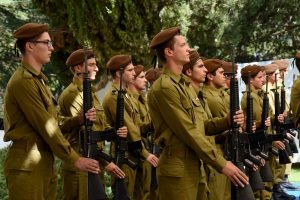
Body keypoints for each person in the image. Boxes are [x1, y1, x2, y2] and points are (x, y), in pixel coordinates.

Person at [147, 26, 249, 200]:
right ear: (169, 52)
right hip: (177, 172)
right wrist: (222, 164)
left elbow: (202, 125)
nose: (189, 49)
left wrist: (227, 121)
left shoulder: (183, 86)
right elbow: (188, 131)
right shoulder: (165, 88)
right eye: (183, 45)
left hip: (195, 165)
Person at [3, 22, 99, 200]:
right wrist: (75, 159)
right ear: (30, 46)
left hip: (43, 161)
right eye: (46, 43)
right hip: (28, 165)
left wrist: (78, 120)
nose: (52, 48)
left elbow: (52, 120)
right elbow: (46, 125)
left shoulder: (38, 80)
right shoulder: (23, 81)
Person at [58, 48, 127, 200]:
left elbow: (99, 126)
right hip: (80, 164)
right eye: (91, 65)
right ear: (77, 68)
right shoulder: (73, 94)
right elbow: (86, 134)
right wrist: (107, 163)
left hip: (94, 161)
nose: (96, 68)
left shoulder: (91, 93)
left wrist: (114, 132)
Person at [182, 50, 245, 200]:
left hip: (217, 153)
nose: (225, 77)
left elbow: (206, 125)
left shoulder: (201, 95)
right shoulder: (204, 96)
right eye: (200, 67)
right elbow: (197, 131)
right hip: (210, 154)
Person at [102, 54, 147, 198]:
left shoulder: (125, 94)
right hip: (124, 153)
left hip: (134, 153)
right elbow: (130, 128)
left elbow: (137, 124)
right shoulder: (113, 96)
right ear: (118, 73)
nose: (134, 73)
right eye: (130, 70)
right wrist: (145, 153)